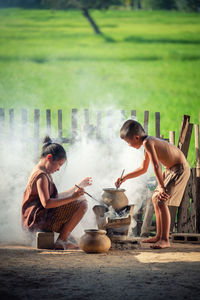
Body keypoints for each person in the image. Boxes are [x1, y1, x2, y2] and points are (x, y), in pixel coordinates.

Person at [115, 120, 190, 249]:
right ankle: (158, 236)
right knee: (155, 199)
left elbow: (156, 165)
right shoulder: (147, 143)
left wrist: (162, 187)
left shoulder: (148, 142)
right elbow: (143, 169)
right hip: (171, 169)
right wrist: (124, 177)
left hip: (179, 169)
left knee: (161, 200)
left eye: (128, 142)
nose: (128, 145)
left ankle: (165, 240)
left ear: (136, 137)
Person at [22, 136, 92, 250]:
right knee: (82, 204)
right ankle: (61, 241)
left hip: (41, 216)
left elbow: (55, 197)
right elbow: (47, 203)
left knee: (80, 199)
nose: (59, 169)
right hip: (37, 220)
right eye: (59, 164)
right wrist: (73, 197)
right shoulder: (41, 176)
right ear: (49, 158)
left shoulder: (44, 172)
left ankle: (64, 237)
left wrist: (78, 186)